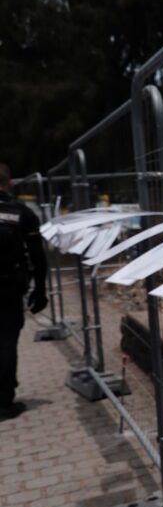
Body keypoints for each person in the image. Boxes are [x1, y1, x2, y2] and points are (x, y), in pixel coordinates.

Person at [0, 163, 48, 420]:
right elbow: (38, 257)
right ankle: (4, 403)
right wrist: (40, 291)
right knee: (6, 341)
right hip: (8, 287)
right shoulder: (22, 213)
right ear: (10, 183)